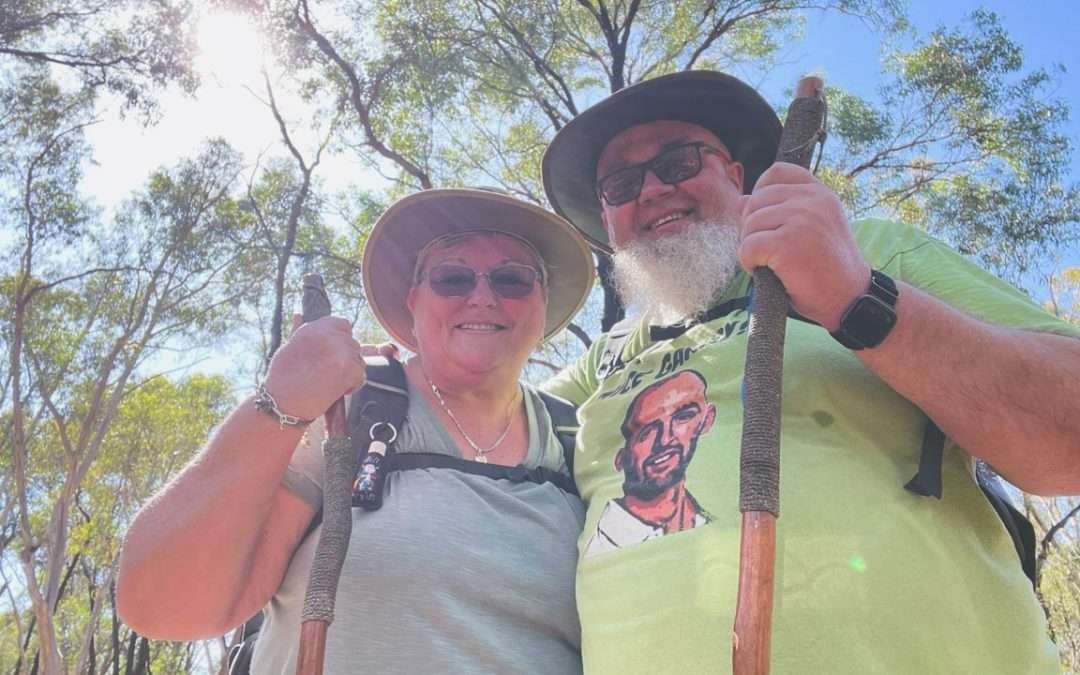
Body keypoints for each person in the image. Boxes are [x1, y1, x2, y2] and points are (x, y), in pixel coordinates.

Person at [540, 71, 1080, 673]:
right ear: (609, 217)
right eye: (621, 183)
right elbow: (479, 430)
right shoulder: (601, 364)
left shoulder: (868, 249)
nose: (653, 189)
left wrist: (854, 295)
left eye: (679, 160)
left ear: (737, 176)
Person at [116, 188, 596, 674]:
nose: (482, 296)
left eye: (512, 280)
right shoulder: (343, 414)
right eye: (452, 278)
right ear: (413, 302)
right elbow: (164, 603)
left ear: (542, 306)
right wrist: (280, 402)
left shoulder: (582, 441)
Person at [583, 369, 715, 557]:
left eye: (683, 416)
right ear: (620, 458)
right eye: (645, 432)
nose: (664, 439)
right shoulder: (604, 546)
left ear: (707, 420)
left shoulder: (707, 522)